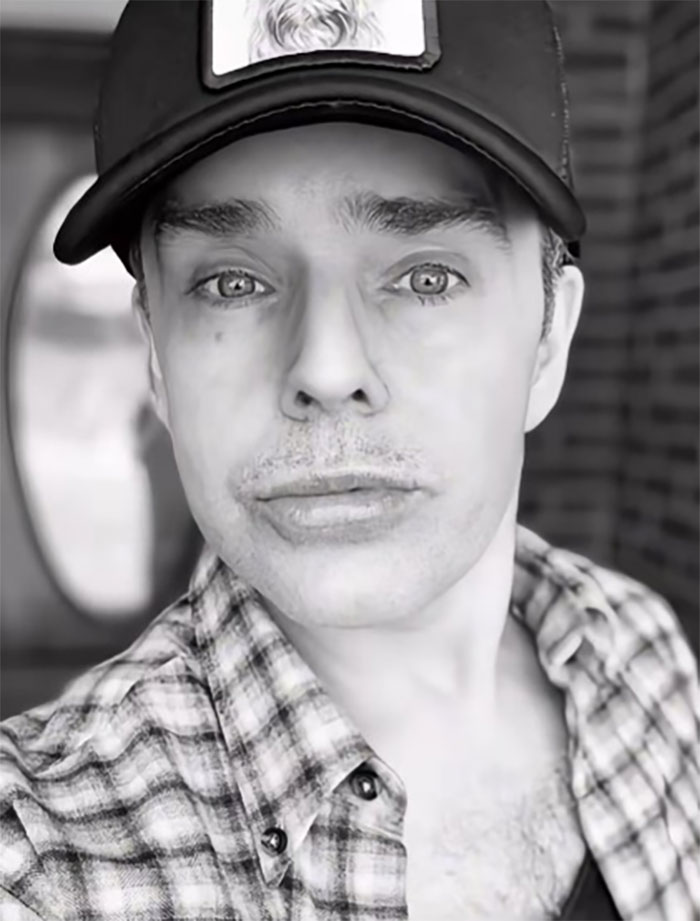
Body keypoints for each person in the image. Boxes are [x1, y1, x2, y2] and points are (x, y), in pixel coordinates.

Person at [1, 1, 698, 919]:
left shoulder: (645, 662)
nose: (326, 370)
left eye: (426, 277)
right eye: (232, 282)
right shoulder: (41, 859)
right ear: (157, 362)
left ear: (548, 343)